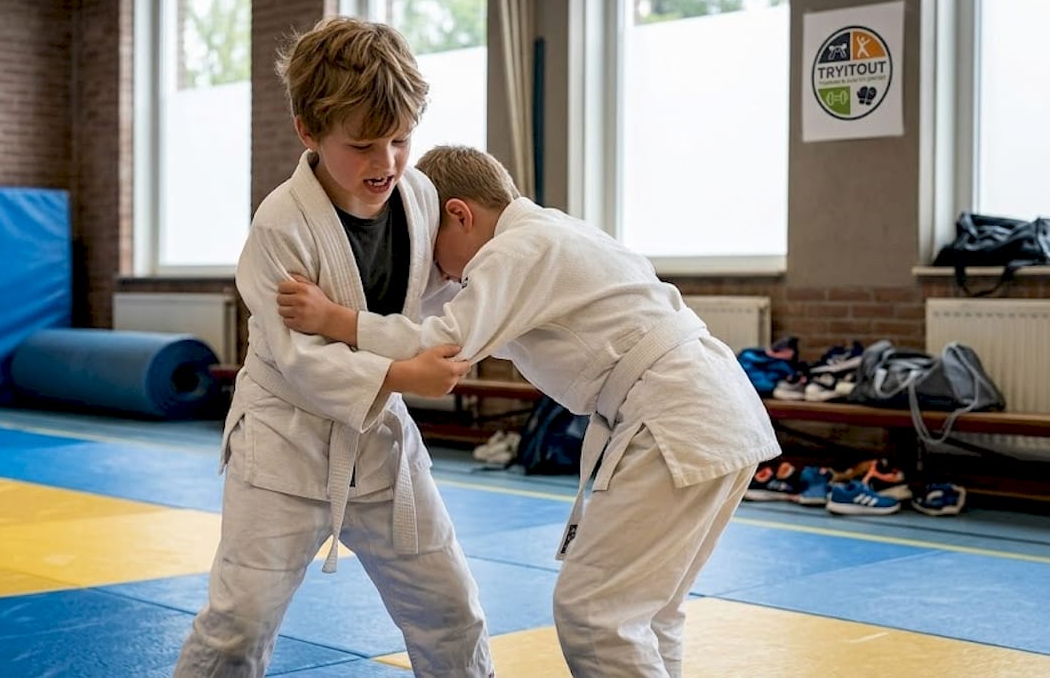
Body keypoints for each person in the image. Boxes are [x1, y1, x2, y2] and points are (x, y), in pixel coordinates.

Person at [277, 145, 782, 677]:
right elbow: (441, 313)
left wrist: (334, 318)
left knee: (594, 614)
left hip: (678, 412)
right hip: (714, 406)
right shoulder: (555, 233)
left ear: (459, 214)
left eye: (432, 252)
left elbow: (443, 340)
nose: (439, 276)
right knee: (648, 613)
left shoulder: (517, 251)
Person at [172, 20, 494, 677]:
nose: (386, 163)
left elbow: (427, 298)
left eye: (401, 139)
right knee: (238, 625)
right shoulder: (279, 227)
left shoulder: (422, 196)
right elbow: (305, 362)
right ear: (309, 132)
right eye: (364, 144)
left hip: (380, 447)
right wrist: (406, 370)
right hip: (284, 446)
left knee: (453, 610)